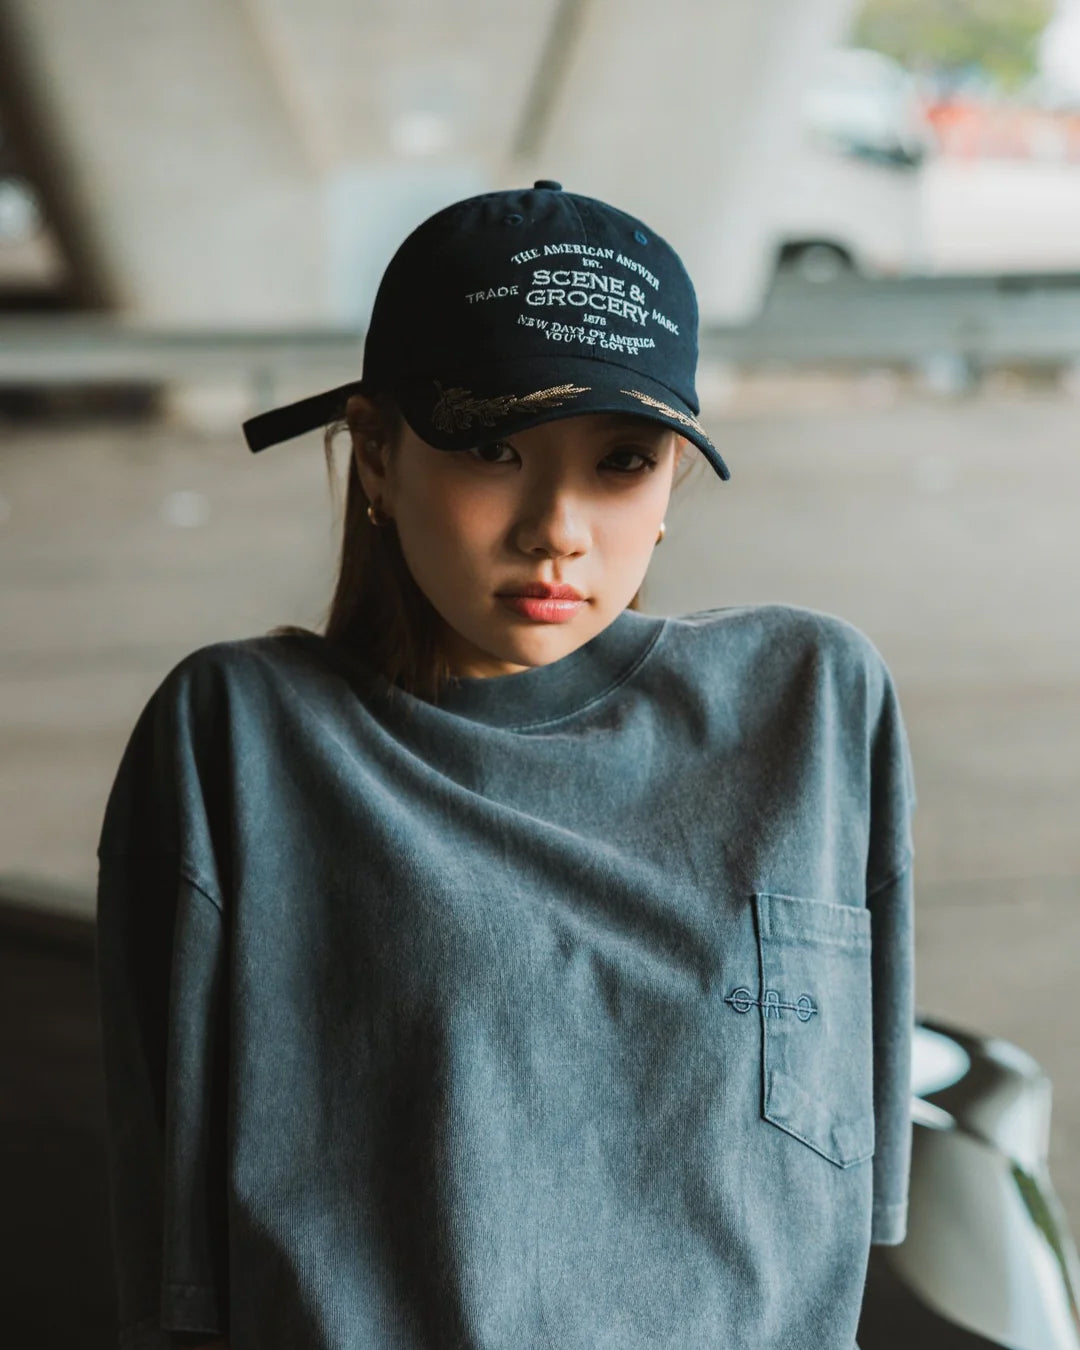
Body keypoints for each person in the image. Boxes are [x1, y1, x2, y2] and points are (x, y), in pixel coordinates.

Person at [94, 181, 917, 1350]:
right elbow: (181, 1280)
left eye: (622, 459)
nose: (559, 526)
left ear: (673, 479)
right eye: (492, 447)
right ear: (375, 456)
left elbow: (843, 1211)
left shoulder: (812, 702)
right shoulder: (240, 739)